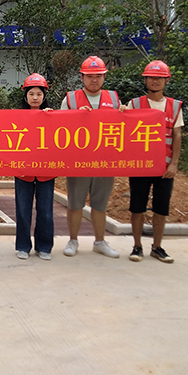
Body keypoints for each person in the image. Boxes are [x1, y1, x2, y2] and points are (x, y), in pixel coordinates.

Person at [60, 56, 121, 259]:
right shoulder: (70, 100)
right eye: (89, 76)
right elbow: (59, 127)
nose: (94, 80)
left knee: (100, 204)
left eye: (98, 76)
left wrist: (125, 113)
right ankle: (73, 240)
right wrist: (75, 116)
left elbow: (123, 127)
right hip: (79, 161)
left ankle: (100, 241)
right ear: (82, 77)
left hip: (105, 161)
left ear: (104, 77)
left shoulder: (114, 100)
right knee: (75, 203)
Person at [126, 60, 182, 264]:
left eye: (159, 78)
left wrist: (174, 164)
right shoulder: (134, 104)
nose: (155, 81)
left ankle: (157, 247)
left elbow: (177, 136)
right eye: (151, 77)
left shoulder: (174, 106)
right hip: (140, 166)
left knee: (161, 208)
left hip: (164, 168)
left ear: (167, 80)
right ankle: (137, 246)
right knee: (137, 206)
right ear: (145, 80)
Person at [14, 73, 55, 260]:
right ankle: (23, 246)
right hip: (23, 171)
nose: (35, 98)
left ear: (44, 96)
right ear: (25, 96)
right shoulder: (17, 117)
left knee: (45, 211)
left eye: (39, 94)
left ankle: (44, 246)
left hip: (46, 171)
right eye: (31, 94)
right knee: (23, 210)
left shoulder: (53, 116)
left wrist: (52, 119)